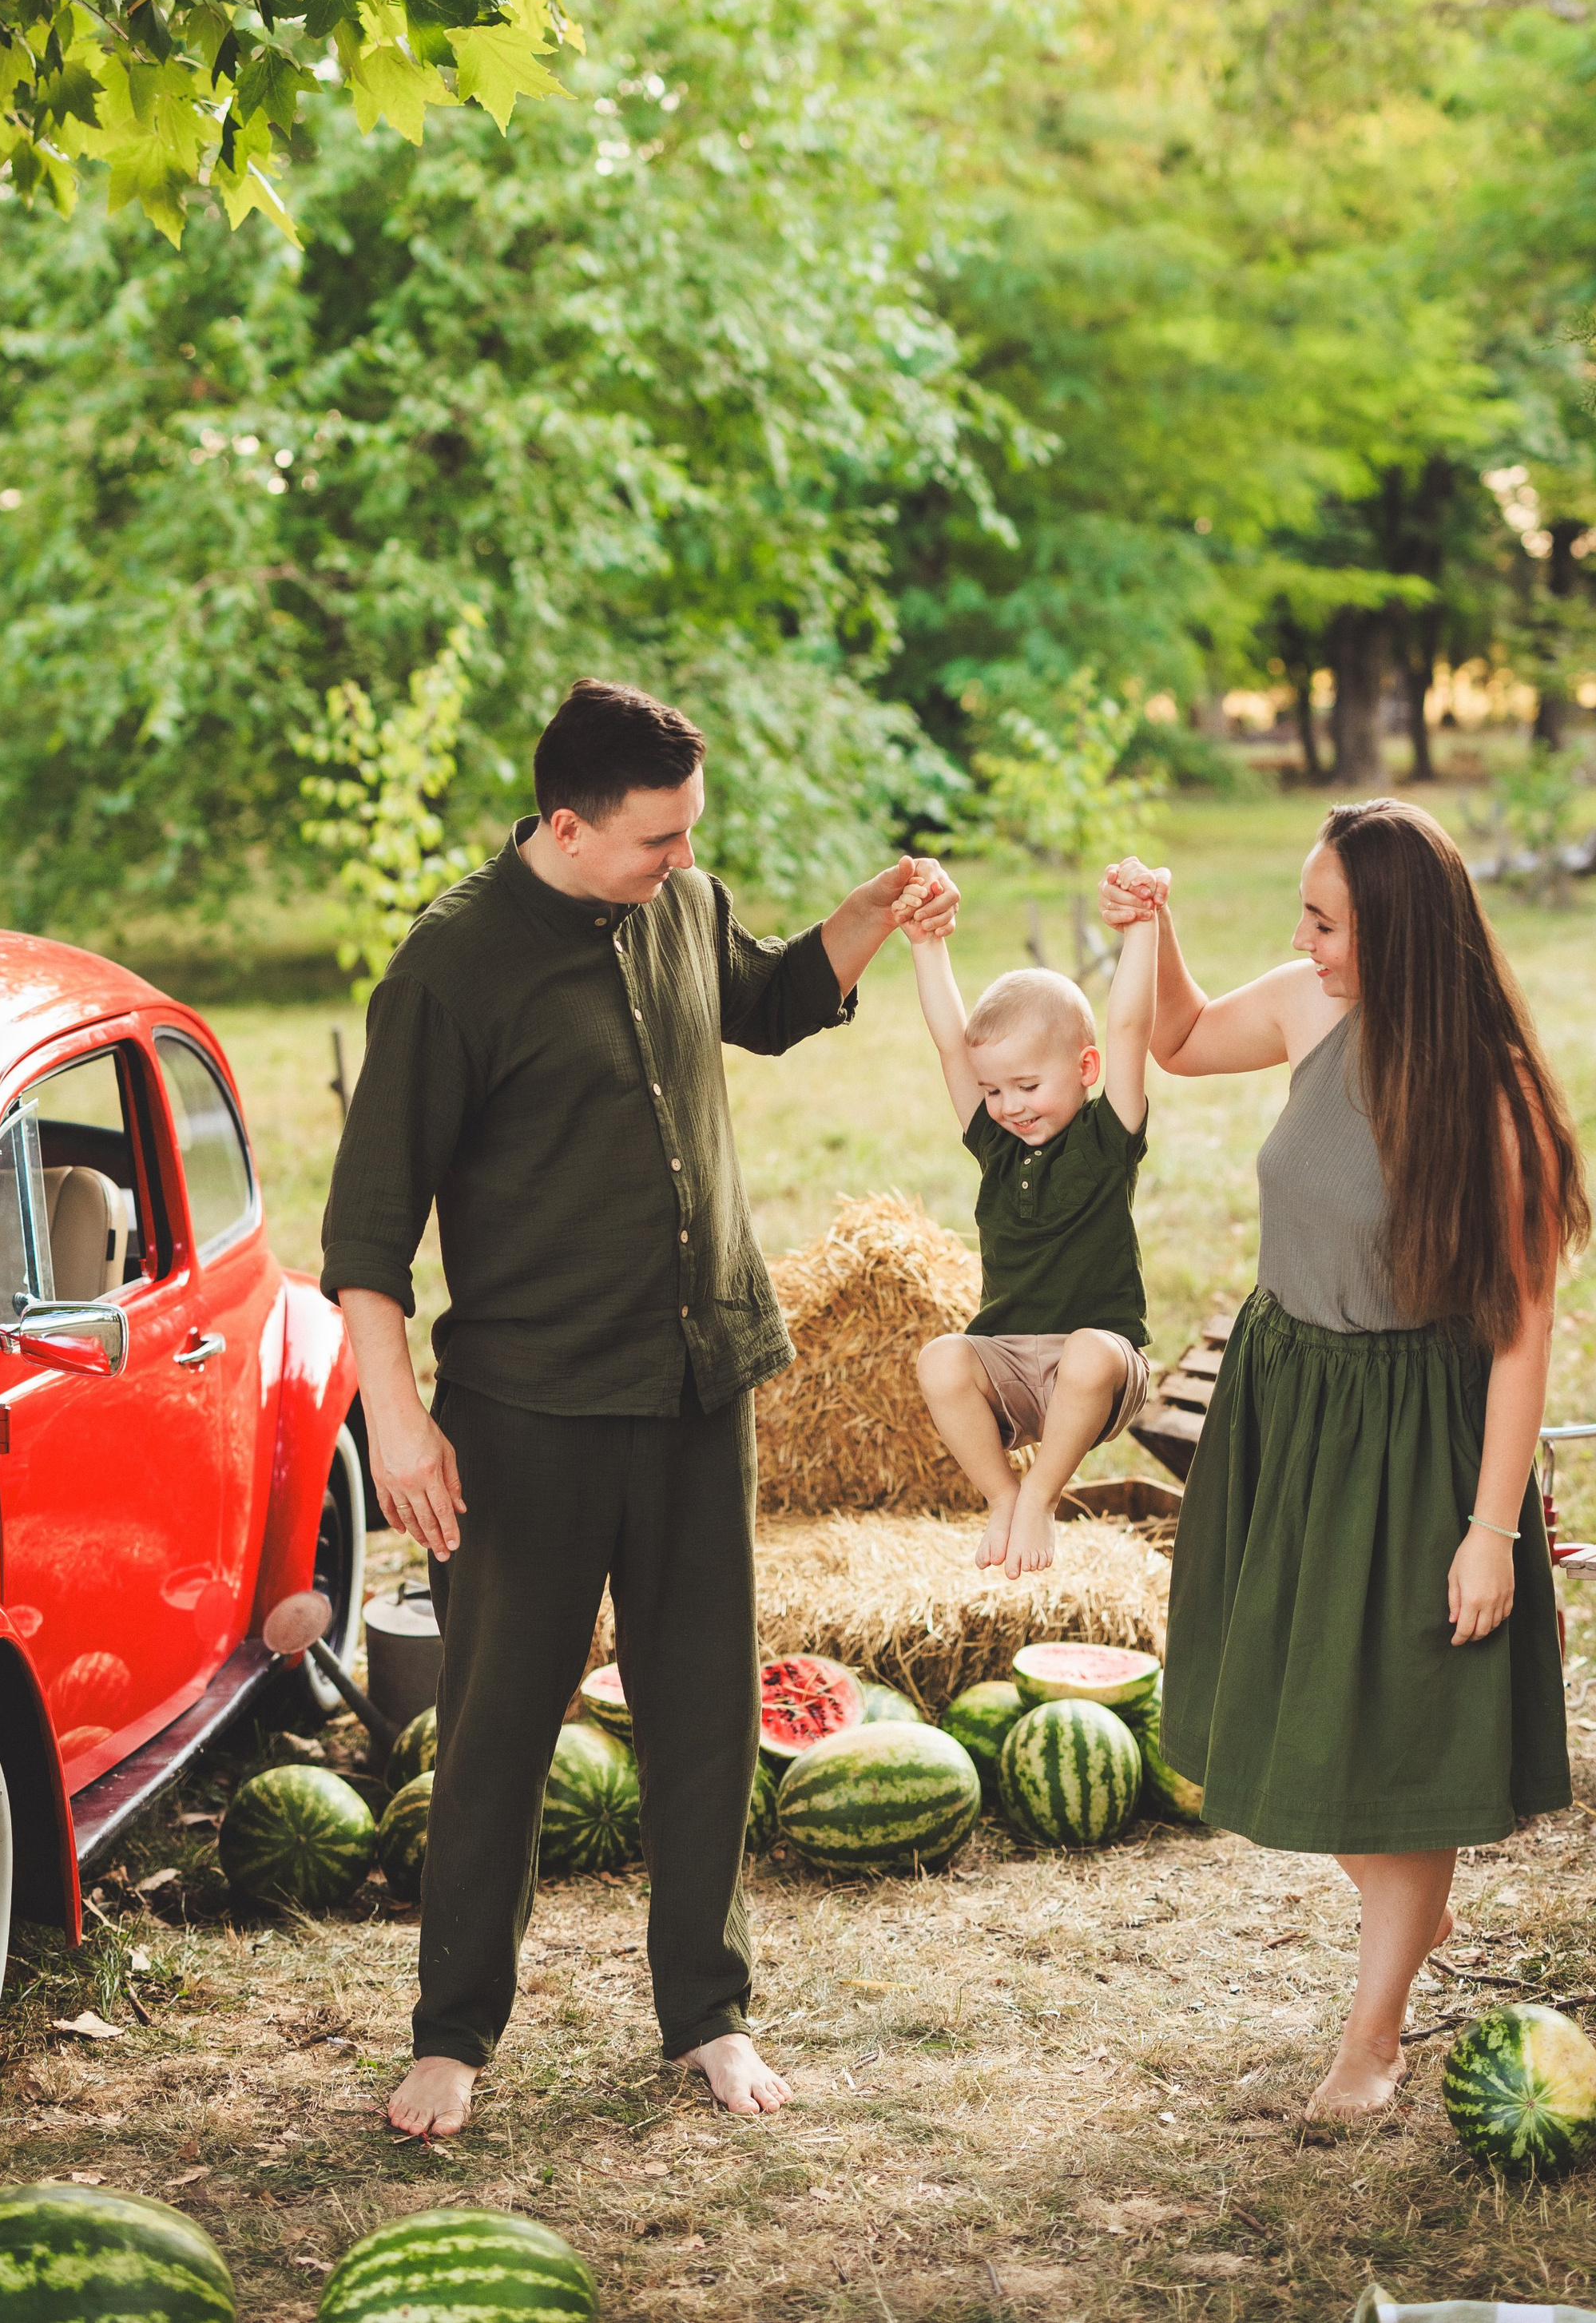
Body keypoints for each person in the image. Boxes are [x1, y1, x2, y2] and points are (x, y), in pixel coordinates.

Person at [320, 677, 955, 2140]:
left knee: (705, 1713)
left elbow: (774, 1001)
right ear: (566, 823)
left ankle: (707, 2016)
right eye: (659, 839)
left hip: (696, 1382)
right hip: (527, 1411)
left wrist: (865, 912)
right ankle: (453, 2033)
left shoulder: (677, 896)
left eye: (690, 835)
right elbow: (367, 1237)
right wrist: (399, 1425)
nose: (683, 861)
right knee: (496, 1729)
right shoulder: (450, 970)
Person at [1097, 800, 1586, 2123]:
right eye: (1305, 914)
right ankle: (1405, 1918)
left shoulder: (1495, 1107)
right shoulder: (1315, 1007)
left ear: (1406, 940)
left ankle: (1371, 2040)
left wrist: (1492, 1527)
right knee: (1309, 1709)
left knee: (1394, 1741)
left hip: (1413, 1440)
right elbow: (1186, 1038)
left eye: (1325, 923)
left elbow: (1526, 1335)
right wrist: (1158, 930)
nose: (1304, 942)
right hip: (1291, 1405)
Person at [899, 876, 1157, 1579]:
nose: (1008, 1106)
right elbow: (953, 1046)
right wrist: (927, 945)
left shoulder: (1108, 1137)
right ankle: (1005, 1495)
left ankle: (1042, 1496)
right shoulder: (997, 1146)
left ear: (1086, 1070)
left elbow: (1132, 1026)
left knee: (1086, 1354)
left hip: (1099, 1369)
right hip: (1010, 1362)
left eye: (1027, 1086)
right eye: (993, 1091)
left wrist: (1142, 929)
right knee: (941, 1357)